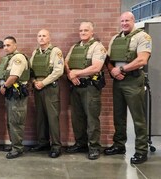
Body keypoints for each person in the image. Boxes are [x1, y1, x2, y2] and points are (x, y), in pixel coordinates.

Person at [104, 12, 152, 164]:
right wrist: (112, 70)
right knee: (118, 116)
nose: (124, 23)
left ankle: (141, 150)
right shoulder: (115, 38)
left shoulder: (142, 37)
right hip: (117, 81)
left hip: (133, 80)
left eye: (127, 20)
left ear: (133, 21)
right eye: (122, 21)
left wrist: (122, 70)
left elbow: (142, 59)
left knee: (138, 118)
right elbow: (108, 59)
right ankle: (119, 145)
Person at [65, 21, 106, 160]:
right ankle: (80, 143)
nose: (83, 32)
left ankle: (94, 147)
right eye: (81, 30)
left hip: (90, 87)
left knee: (92, 118)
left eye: (86, 30)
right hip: (76, 86)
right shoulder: (75, 47)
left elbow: (97, 67)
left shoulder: (97, 47)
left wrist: (77, 73)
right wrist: (71, 75)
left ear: (92, 32)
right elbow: (66, 62)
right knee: (77, 118)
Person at [29, 29, 64, 158]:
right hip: (37, 88)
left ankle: (56, 146)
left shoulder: (56, 51)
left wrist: (43, 82)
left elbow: (58, 71)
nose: (41, 38)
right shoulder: (35, 53)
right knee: (40, 117)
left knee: (52, 118)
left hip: (50, 89)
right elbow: (31, 70)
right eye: (39, 36)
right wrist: (33, 81)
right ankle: (42, 142)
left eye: (44, 36)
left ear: (49, 38)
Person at [0, 36, 29, 159]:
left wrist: (4, 86)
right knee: (11, 121)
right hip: (11, 94)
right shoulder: (8, 59)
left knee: (16, 121)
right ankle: (14, 144)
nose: (5, 47)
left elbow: (14, 76)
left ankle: (18, 148)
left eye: (8, 45)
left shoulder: (18, 58)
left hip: (17, 94)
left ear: (15, 45)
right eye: (4, 45)